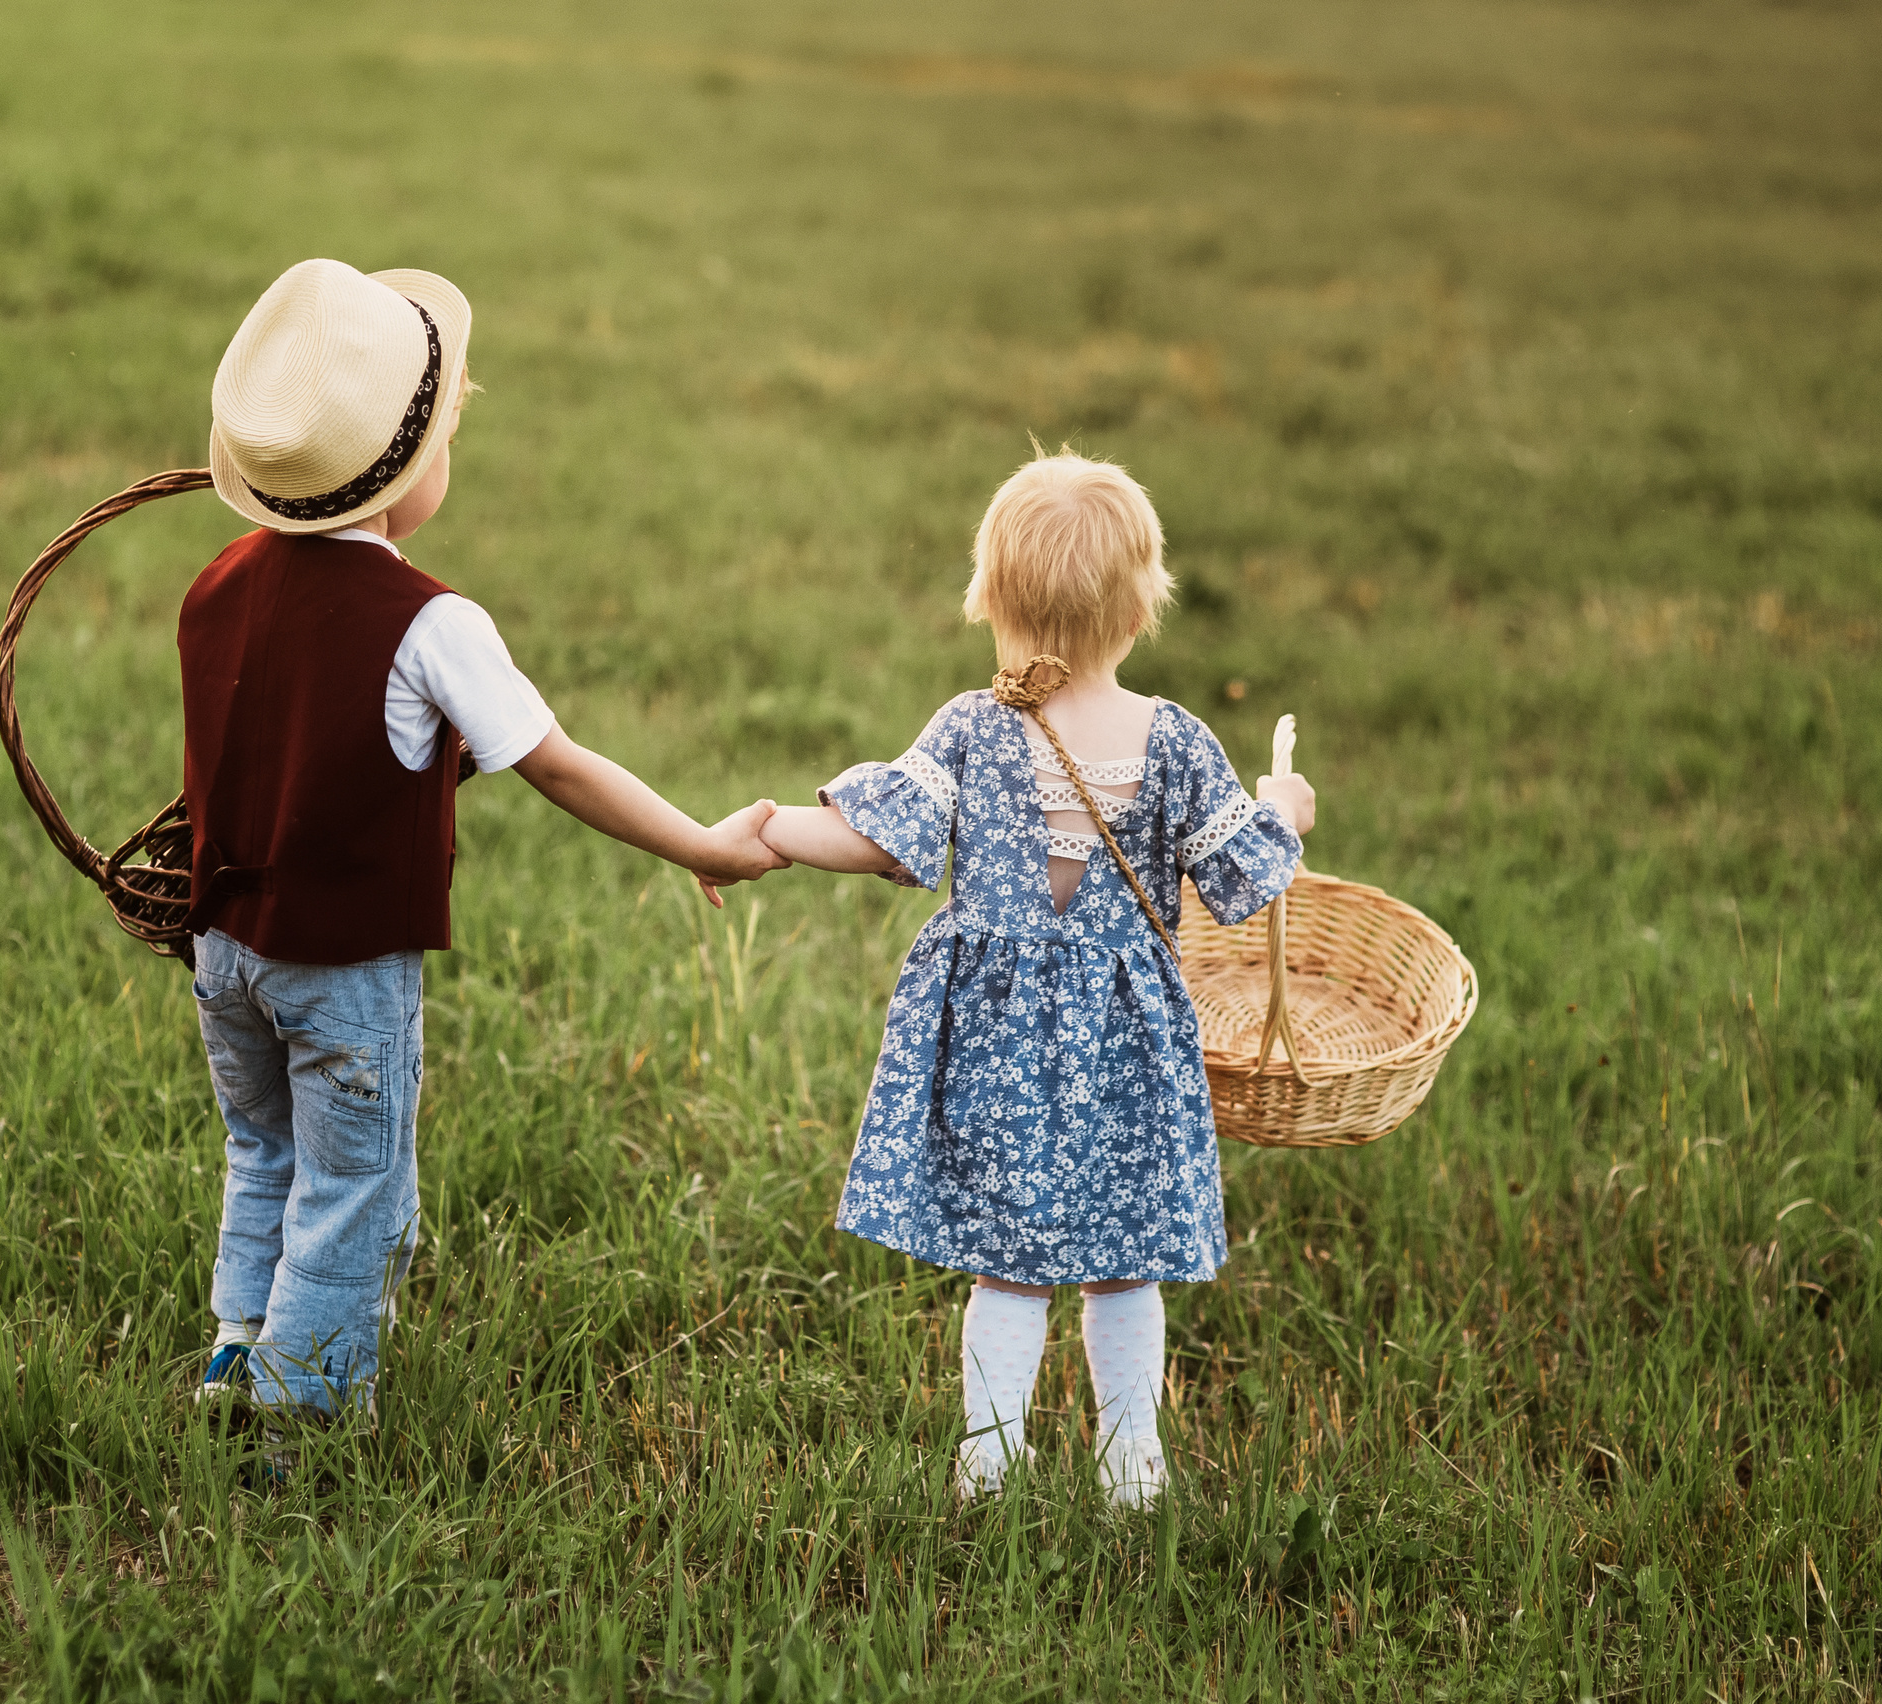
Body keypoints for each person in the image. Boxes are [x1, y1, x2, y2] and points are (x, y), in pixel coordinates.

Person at [181, 258, 784, 1426]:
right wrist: (701, 846)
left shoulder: (215, 583)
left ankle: (231, 1353)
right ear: (408, 477)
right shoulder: (431, 624)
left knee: (263, 1152)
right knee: (352, 1184)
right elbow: (557, 762)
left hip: (224, 953)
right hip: (341, 968)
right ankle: (295, 1424)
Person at [754, 451, 1316, 1506]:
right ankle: (1129, 1464)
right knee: (1124, 1255)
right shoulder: (1176, 741)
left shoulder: (972, 725)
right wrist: (1286, 804)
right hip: (1126, 1040)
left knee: (1006, 1261)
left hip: (996, 1036)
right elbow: (1247, 872)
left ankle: (988, 1461)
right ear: (1142, 606)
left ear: (991, 595)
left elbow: (878, 839)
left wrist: (768, 830)